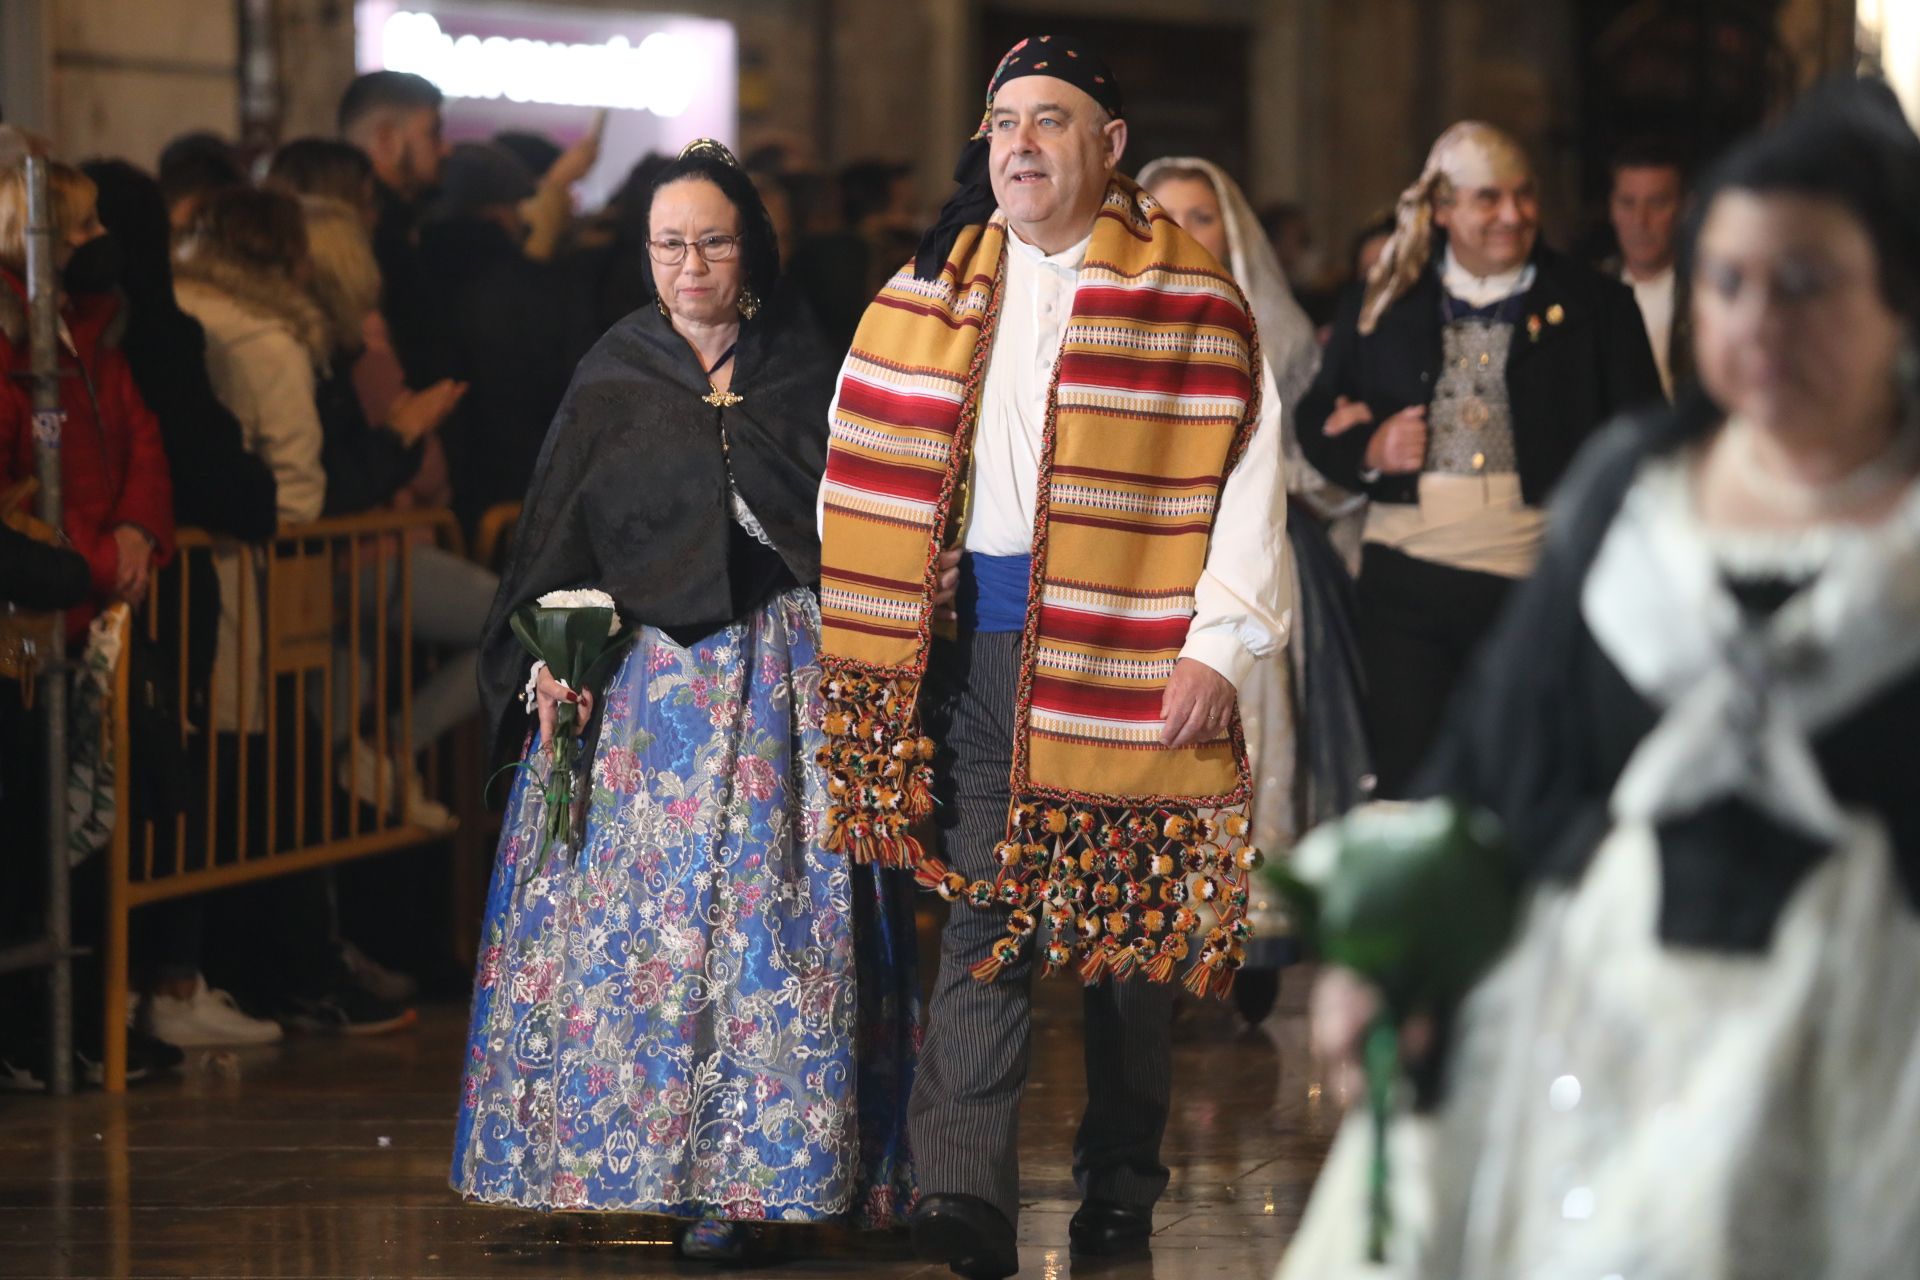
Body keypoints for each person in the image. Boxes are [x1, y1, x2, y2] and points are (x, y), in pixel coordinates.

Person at [1281, 81, 1920, 1278]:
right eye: (1727, 282)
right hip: (1617, 999)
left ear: (1900, 299)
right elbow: (1502, 754)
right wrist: (1406, 951)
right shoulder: (1639, 487)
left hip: (1869, 1032)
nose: (1759, 323)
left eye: (1807, 283)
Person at [817, 39, 1289, 1278]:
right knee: (991, 916)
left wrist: (1220, 646)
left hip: (1130, 655)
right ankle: (963, 1194)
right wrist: (885, 629)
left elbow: (1250, 480)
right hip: (973, 650)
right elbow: (852, 464)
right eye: (1004, 121)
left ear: (1109, 142)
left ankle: (1122, 1184)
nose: (1020, 143)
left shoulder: (1193, 302)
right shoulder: (921, 294)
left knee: (1124, 945)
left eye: (1051, 120)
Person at [457, 140, 919, 1261]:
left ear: (750, 246)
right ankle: (630, 1163)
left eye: (712, 240)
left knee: (771, 936)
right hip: (647, 700)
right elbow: (557, 535)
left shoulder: (811, 364)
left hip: (782, 693)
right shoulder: (618, 372)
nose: (691, 263)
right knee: (644, 939)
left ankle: (765, 1176)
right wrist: (551, 649)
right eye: (670, 243)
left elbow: (863, 513)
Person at [1296, 122, 1663, 798]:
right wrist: (1370, 448)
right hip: (1406, 591)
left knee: (1530, 790)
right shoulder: (1383, 302)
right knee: (1414, 791)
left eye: (1524, 196)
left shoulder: (1597, 305)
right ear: (1443, 210)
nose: (1513, 215)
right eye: (1488, 199)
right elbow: (1316, 416)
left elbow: (1646, 442)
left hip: (1538, 586)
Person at [1138, 157, 1373, 1013]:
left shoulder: (1277, 336)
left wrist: (1347, 455)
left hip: (1253, 578)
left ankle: (1248, 938)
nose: (1183, 231)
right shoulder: (1109, 324)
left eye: (1201, 217)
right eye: (1164, 214)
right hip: (1146, 580)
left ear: (1230, 231)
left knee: (1254, 744)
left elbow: (1311, 469)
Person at [412, 142, 597, 534]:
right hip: (519, 501)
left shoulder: (416, 270)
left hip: (445, 505)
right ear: (505, 211)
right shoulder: (526, 288)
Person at [338, 70, 447, 383]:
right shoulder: (370, 234)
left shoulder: (406, 224)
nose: (444, 148)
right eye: (433, 133)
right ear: (387, 139)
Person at [1607, 137, 1689, 397]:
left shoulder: (1709, 294)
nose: (1640, 221)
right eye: (1628, 203)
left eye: (1657, 203)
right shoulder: (1583, 295)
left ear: (1684, 208)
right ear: (1612, 208)